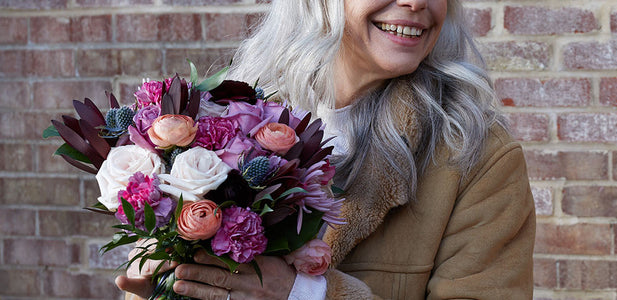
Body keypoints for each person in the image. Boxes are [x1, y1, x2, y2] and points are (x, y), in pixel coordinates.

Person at [116, 0, 536, 299]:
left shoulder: (474, 154)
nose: (416, 2)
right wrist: (167, 272)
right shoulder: (226, 118)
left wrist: (305, 293)